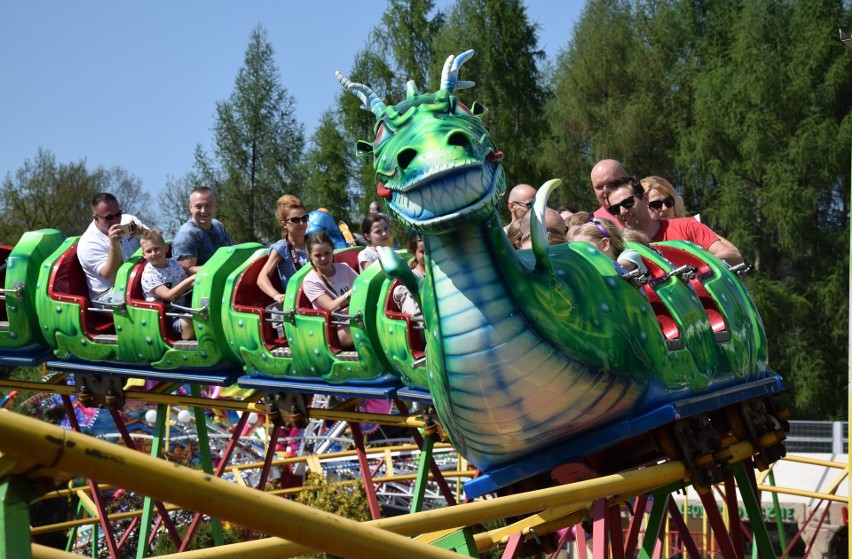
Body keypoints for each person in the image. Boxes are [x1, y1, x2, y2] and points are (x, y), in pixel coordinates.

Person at [604, 176, 744, 265]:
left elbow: (733, 256)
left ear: (645, 199)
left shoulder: (686, 226)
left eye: (628, 203)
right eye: (615, 209)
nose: (623, 211)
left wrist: (697, 269)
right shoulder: (618, 247)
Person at [77, 192, 148, 302]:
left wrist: (144, 234)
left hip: (138, 280)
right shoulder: (88, 244)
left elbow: (160, 245)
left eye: (118, 214)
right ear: (96, 218)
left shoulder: (128, 220)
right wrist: (114, 244)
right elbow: (114, 276)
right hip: (107, 294)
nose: (116, 220)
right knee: (147, 293)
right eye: (109, 217)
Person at [302, 231, 359, 349]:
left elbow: (362, 287)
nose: (323, 258)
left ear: (333, 251)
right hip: (337, 326)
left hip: (356, 315)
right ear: (310, 256)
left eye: (327, 253)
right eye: (318, 255)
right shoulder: (310, 280)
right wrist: (350, 294)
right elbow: (331, 306)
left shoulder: (344, 268)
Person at [139, 228, 196, 340]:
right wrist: (190, 280)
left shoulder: (173, 263)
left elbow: (187, 286)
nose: (154, 253)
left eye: (156, 249)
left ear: (165, 248)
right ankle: (185, 345)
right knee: (188, 322)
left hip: (182, 308)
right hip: (164, 317)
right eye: (149, 251)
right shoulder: (149, 274)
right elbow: (168, 295)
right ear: (144, 255)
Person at [258, 195, 309, 303]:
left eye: (304, 218)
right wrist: (276, 295)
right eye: (295, 220)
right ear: (284, 224)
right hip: (297, 303)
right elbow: (262, 278)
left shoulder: (314, 242)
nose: (301, 223)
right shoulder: (282, 247)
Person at [172, 186, 233, 274]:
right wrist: (221, 267)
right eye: (198, 206)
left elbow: (231, 254)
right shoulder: (186, 235)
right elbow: (186, 272)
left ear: (215, 206)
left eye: (208, 206)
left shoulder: (218, 226)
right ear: (191, 208)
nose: (203, 211)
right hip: (198, 286)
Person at [567, 214, 646, 274]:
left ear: (605, 244)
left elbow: (616, 270)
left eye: (584, 248)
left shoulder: (629, 255)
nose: (579, 254)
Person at [589, 159, 633, 228]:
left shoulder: (652, 211)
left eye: (611, 183)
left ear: (627, 179)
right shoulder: (592, 226)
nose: (606, 190)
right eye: (599, 187)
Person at [392, 235, 426, 316]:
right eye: (423, 252)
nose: (428, 255)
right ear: (413, 252)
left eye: (431, 251)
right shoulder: (414, 277)